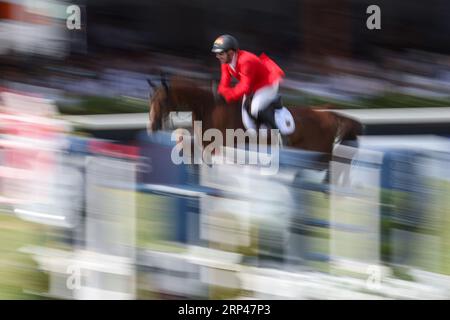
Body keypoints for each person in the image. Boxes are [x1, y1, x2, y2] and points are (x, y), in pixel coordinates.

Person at [211, 34, 285, 130]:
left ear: (230, 52)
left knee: (255, 109)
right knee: (244, 112)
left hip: (267, 83)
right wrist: (221, 91)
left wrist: (228, 95)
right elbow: (224, 81)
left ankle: (278, 133)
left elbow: (244, 86)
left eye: (220, 53)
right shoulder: (226, 63)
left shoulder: (246, 61)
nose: (218, 56)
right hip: (253, 85)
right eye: (217, 54)